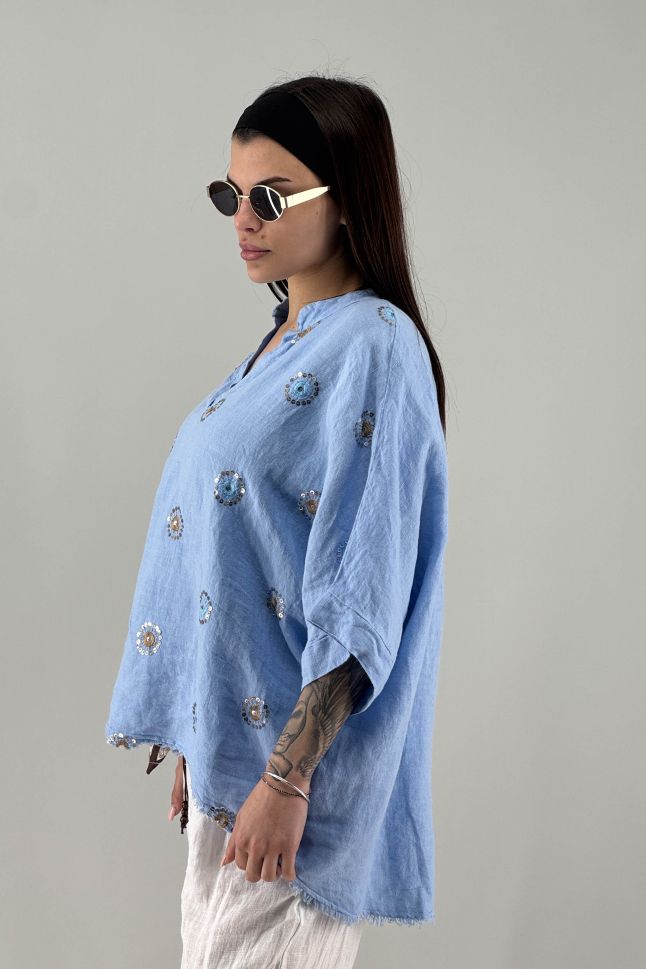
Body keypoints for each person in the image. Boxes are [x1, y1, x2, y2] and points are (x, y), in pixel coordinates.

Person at [104, 73, 449, 969]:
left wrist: (288, 777)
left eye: (271, 197)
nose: (243, 221)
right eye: (232, 196)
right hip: (236, 780)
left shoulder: (375, 346)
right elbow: (243, 561)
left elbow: (362, 593)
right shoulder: (281, 343)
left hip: (294, 795)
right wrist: (202, 731)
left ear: (348, 198)